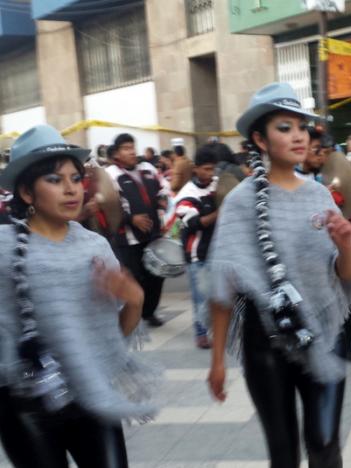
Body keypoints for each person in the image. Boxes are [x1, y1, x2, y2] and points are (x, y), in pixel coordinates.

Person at [207, 82, 351, 468]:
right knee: (283, 451)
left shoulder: (320, 195)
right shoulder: (241, 202)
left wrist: (344, 244)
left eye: (301, 127)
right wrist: (218, 361)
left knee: (324, 442)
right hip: (266, 342)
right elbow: (223, 286)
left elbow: (347, 277)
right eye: (284, 127)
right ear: (259, 138)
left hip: (324, 333)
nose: (297, 136)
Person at [0, 125, 158, 467]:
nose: (71, 189)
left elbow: (117, 333)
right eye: (55, 180)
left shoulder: (95, 246)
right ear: (27, 192)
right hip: (25, 406)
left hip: (93, 394)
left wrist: (135, 299)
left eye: (75, 178)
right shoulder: (3, 246)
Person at [106, 133, 169, 327]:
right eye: (126, 148)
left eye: (132, 146)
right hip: (128, 239)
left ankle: (149, 312)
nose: (131, 151)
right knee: (134, 277)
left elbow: (163, 189)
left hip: (153, 234)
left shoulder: (148, 168)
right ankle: (134, 314)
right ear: (117, 153)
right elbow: (109, 206)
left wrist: (162, 203)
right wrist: (131, 218)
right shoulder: (110, 174)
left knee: (156, 275)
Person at [175, 145, 219, 349]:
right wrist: (221, 211)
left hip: (218, 251)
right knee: (201, 297)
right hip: (197, 255)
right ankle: (201, 333)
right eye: (207, 169)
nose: (211, 174)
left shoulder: (218, 184)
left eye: (213, 169)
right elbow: (193, 224)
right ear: (196, 169)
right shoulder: (186, 194)